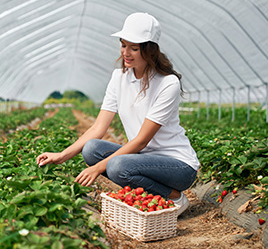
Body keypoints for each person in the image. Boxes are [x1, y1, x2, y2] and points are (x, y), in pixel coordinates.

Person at [36, 12, 200, 216]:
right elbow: (98, 128)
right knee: (91, 149)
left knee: (117, 165)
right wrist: (62, 156)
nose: (126, 53)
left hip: (177, 166)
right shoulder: (119, 78)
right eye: (123, 45)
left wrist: (97, 169)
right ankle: (151, 195)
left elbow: (140, 141)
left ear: (149, 50)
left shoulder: (167, 83)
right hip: (143, 158)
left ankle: (174, 197)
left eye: (134, 48)